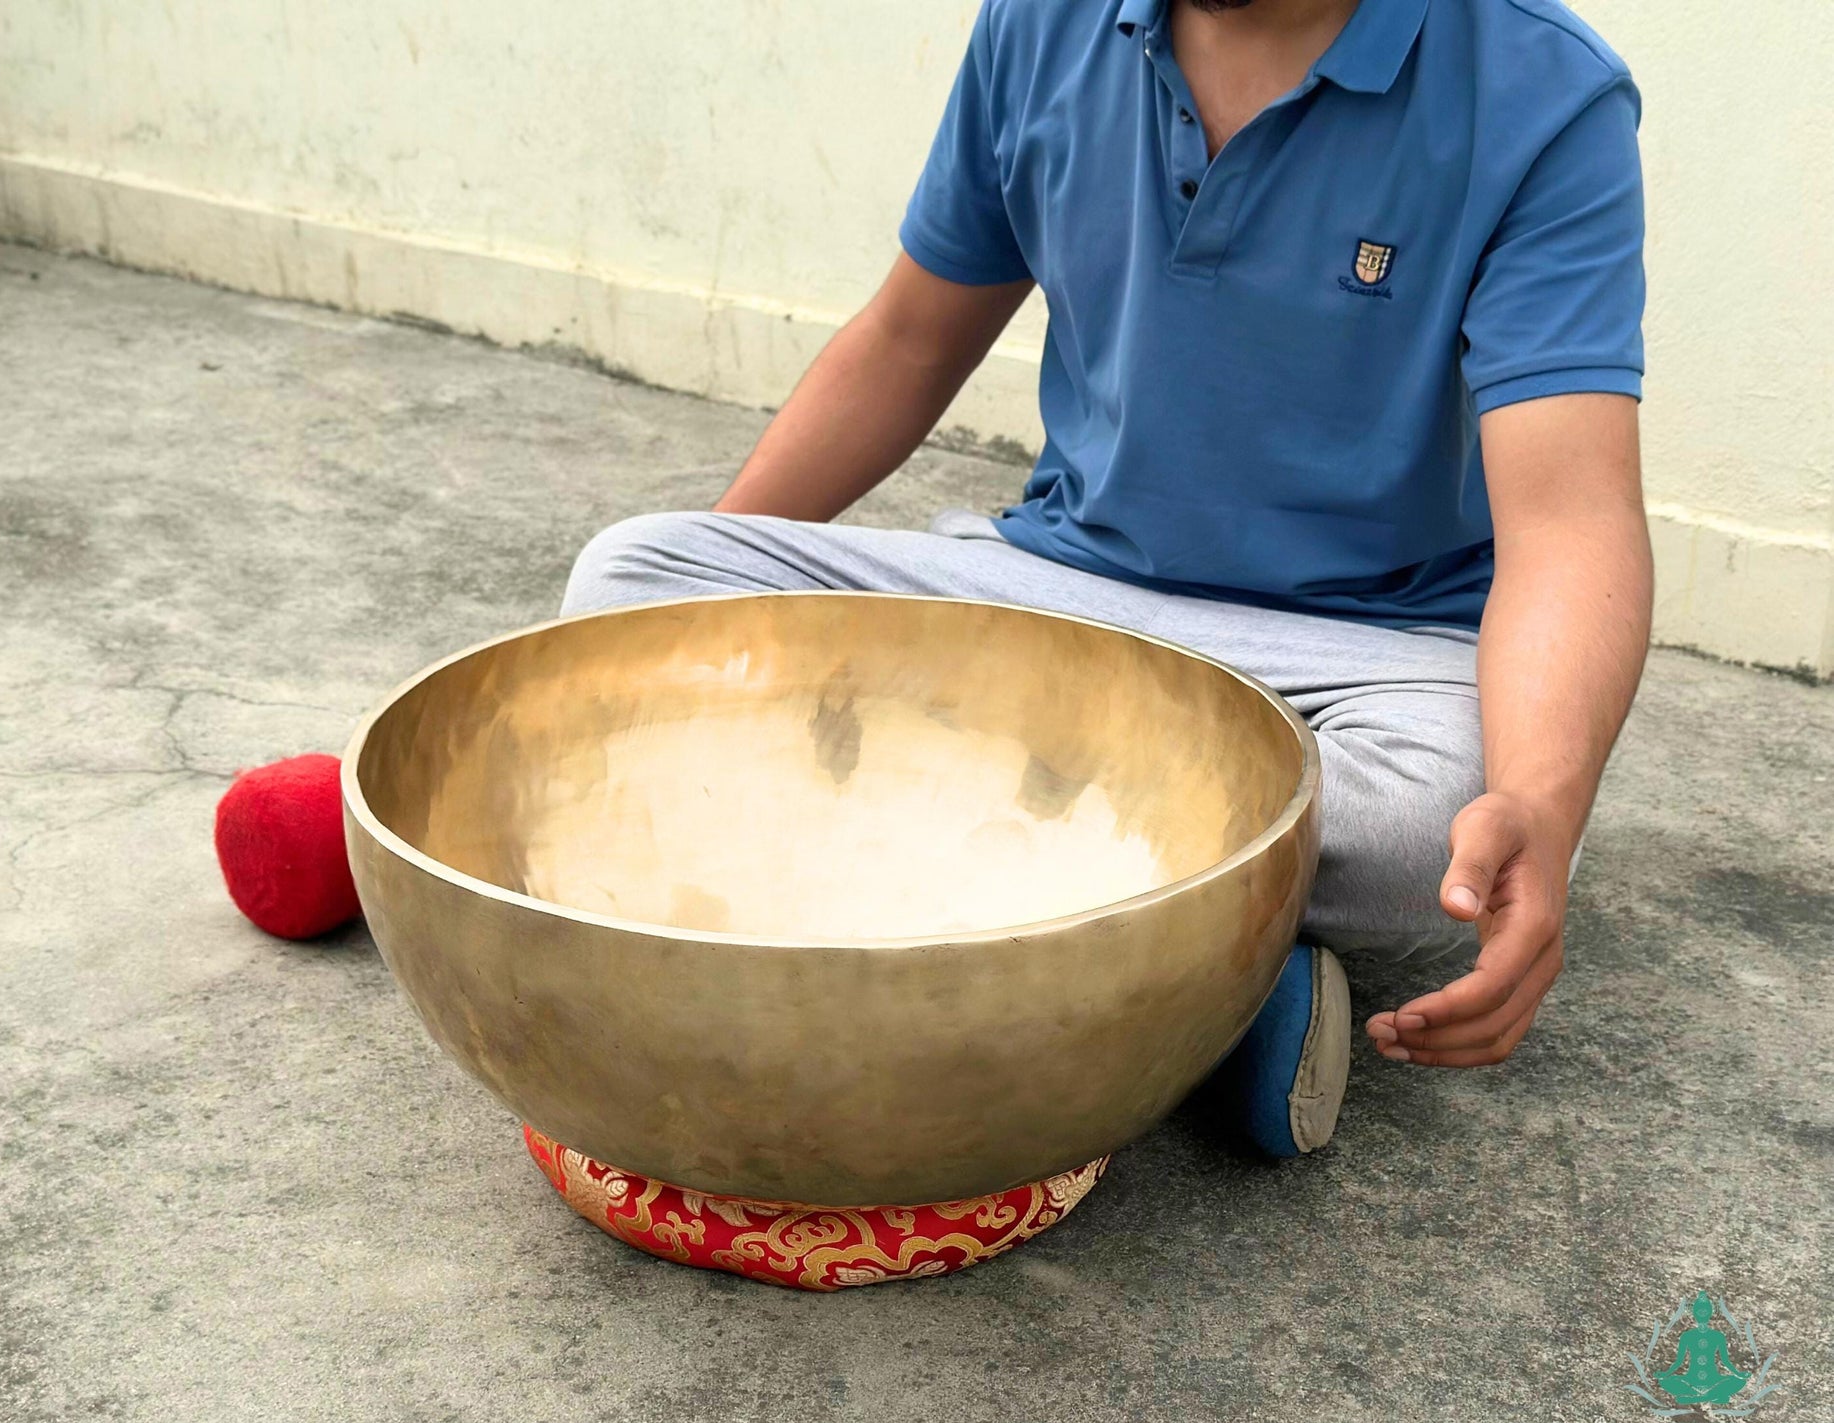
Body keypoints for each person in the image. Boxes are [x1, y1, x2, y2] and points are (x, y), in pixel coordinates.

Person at [562, 0, 1651, 1157]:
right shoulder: (1041, 21)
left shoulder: (1539, 93)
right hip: (1058, 596)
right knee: (633, 581)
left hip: (1357, 655)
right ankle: (1204, 975)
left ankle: (968, 891)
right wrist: (707, 652)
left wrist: (1539, 802)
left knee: (1426, 841)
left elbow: (1570, 522)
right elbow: (907, 339)